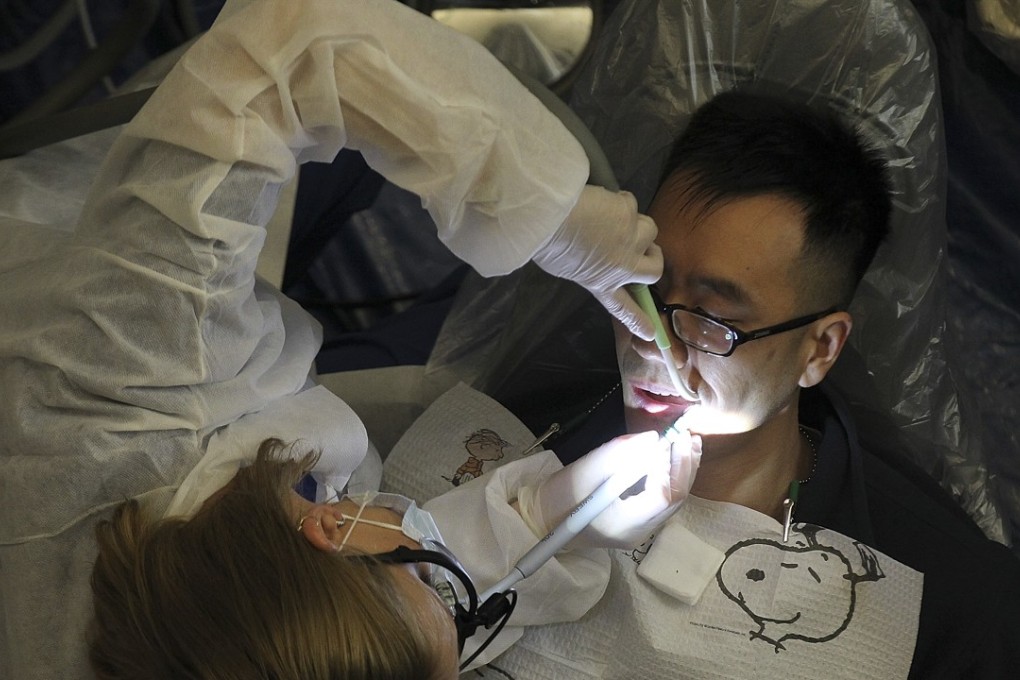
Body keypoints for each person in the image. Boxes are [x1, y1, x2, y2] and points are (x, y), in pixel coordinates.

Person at [0, 0, 703, 678]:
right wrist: (549, 521)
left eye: (437, 588)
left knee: (353, 145)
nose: (442, 578)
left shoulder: (127, 368)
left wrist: (546, 214)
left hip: (69, 262)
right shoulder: (236, 624)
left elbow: (289, 50)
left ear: (326, 531)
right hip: (242, 365)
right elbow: (382, 631)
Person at [463, 89, 1020, 679]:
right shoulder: (523, 441)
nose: (656, 345)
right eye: (645, 288)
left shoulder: (940, 596)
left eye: (712, 320)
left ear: (819, 348)